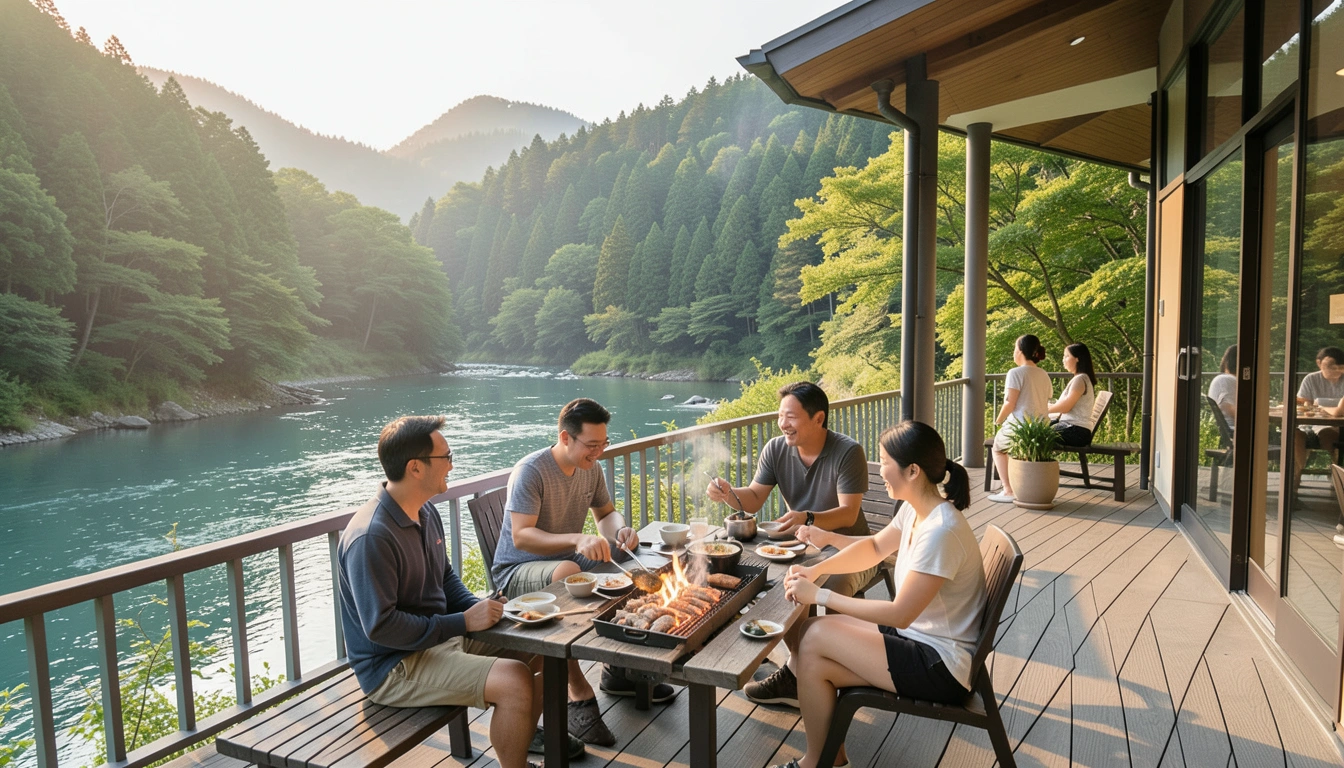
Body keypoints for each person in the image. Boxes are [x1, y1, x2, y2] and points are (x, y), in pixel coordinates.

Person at [337, 415, 551, 768]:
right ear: (415, 468)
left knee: (544, 646)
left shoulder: (424, 511)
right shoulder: (371, 536)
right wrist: (462, 622)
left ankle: (522, 735)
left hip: (437, 639)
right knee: (514, 681)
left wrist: (480, 608)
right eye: (446, 457)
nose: (452, 464)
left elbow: (445, 577)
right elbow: (382, 626)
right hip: (393, 665)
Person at [769, 421, 986, 768]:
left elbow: (901, 614)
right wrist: (817, 569)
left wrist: (819, 596)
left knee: (817, 634)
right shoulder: (917, 510)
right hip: (920, 640)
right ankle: (827, 759)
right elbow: (873, 548)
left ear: (912, 470)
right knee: (812, 641)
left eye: (884, 462)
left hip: (940, 664)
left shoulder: (940, 532)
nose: (879, 471)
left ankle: (817, 762)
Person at [492, 397, 675, 747]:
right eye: (592, 445)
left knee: (627, 568)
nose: (599, 452)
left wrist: (620, 531)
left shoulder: (590, 467)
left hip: (567, 563)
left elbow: (605, 514)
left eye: (603, 444)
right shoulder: (532, 470)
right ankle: (577, 690)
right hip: (517, 571)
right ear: (565, 437)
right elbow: (521, 535)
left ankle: (618, 670)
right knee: (568, 570)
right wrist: (577, 539)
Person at [704, 381, 874, 708]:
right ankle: (799, 670)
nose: (783, 424)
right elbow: (754, 498)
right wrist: (728, 493)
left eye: (791, 417)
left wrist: (808, 517)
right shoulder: (776, 449)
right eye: (780, 416)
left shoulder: (847, 451)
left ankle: (824, 672)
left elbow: (848, 513)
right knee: (780, 581)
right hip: (800, 547)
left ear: (818, 418)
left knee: (828, 587)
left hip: (849, 548)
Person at [989, 334, 1053, 503]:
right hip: (1042, 428)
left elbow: (1010, 403)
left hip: (1021, 428)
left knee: (998, 448)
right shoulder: (1043, 374)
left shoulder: (1015, 373)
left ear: (1020, 351)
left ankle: (1008, 489)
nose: (1013, 352)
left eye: (1015, 348)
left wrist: (998, 421)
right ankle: (1020, 488)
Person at [1048, 342, 1098, 447]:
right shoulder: (1080, 378)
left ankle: (1036, 458)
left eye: (1066, 356)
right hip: (1073, 428)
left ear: (1077, 358)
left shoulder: (1080, 379)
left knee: (1036, 434)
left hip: (1077, 431)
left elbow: (1066, 407)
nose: (1063, 360)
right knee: (1037, 428)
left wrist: (1042, 408)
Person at [1207, 345, 1238, 429]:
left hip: (1228, 430)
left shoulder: (1223, 379)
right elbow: (1225, 406)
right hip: (1234, 429)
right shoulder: (1226, 380)